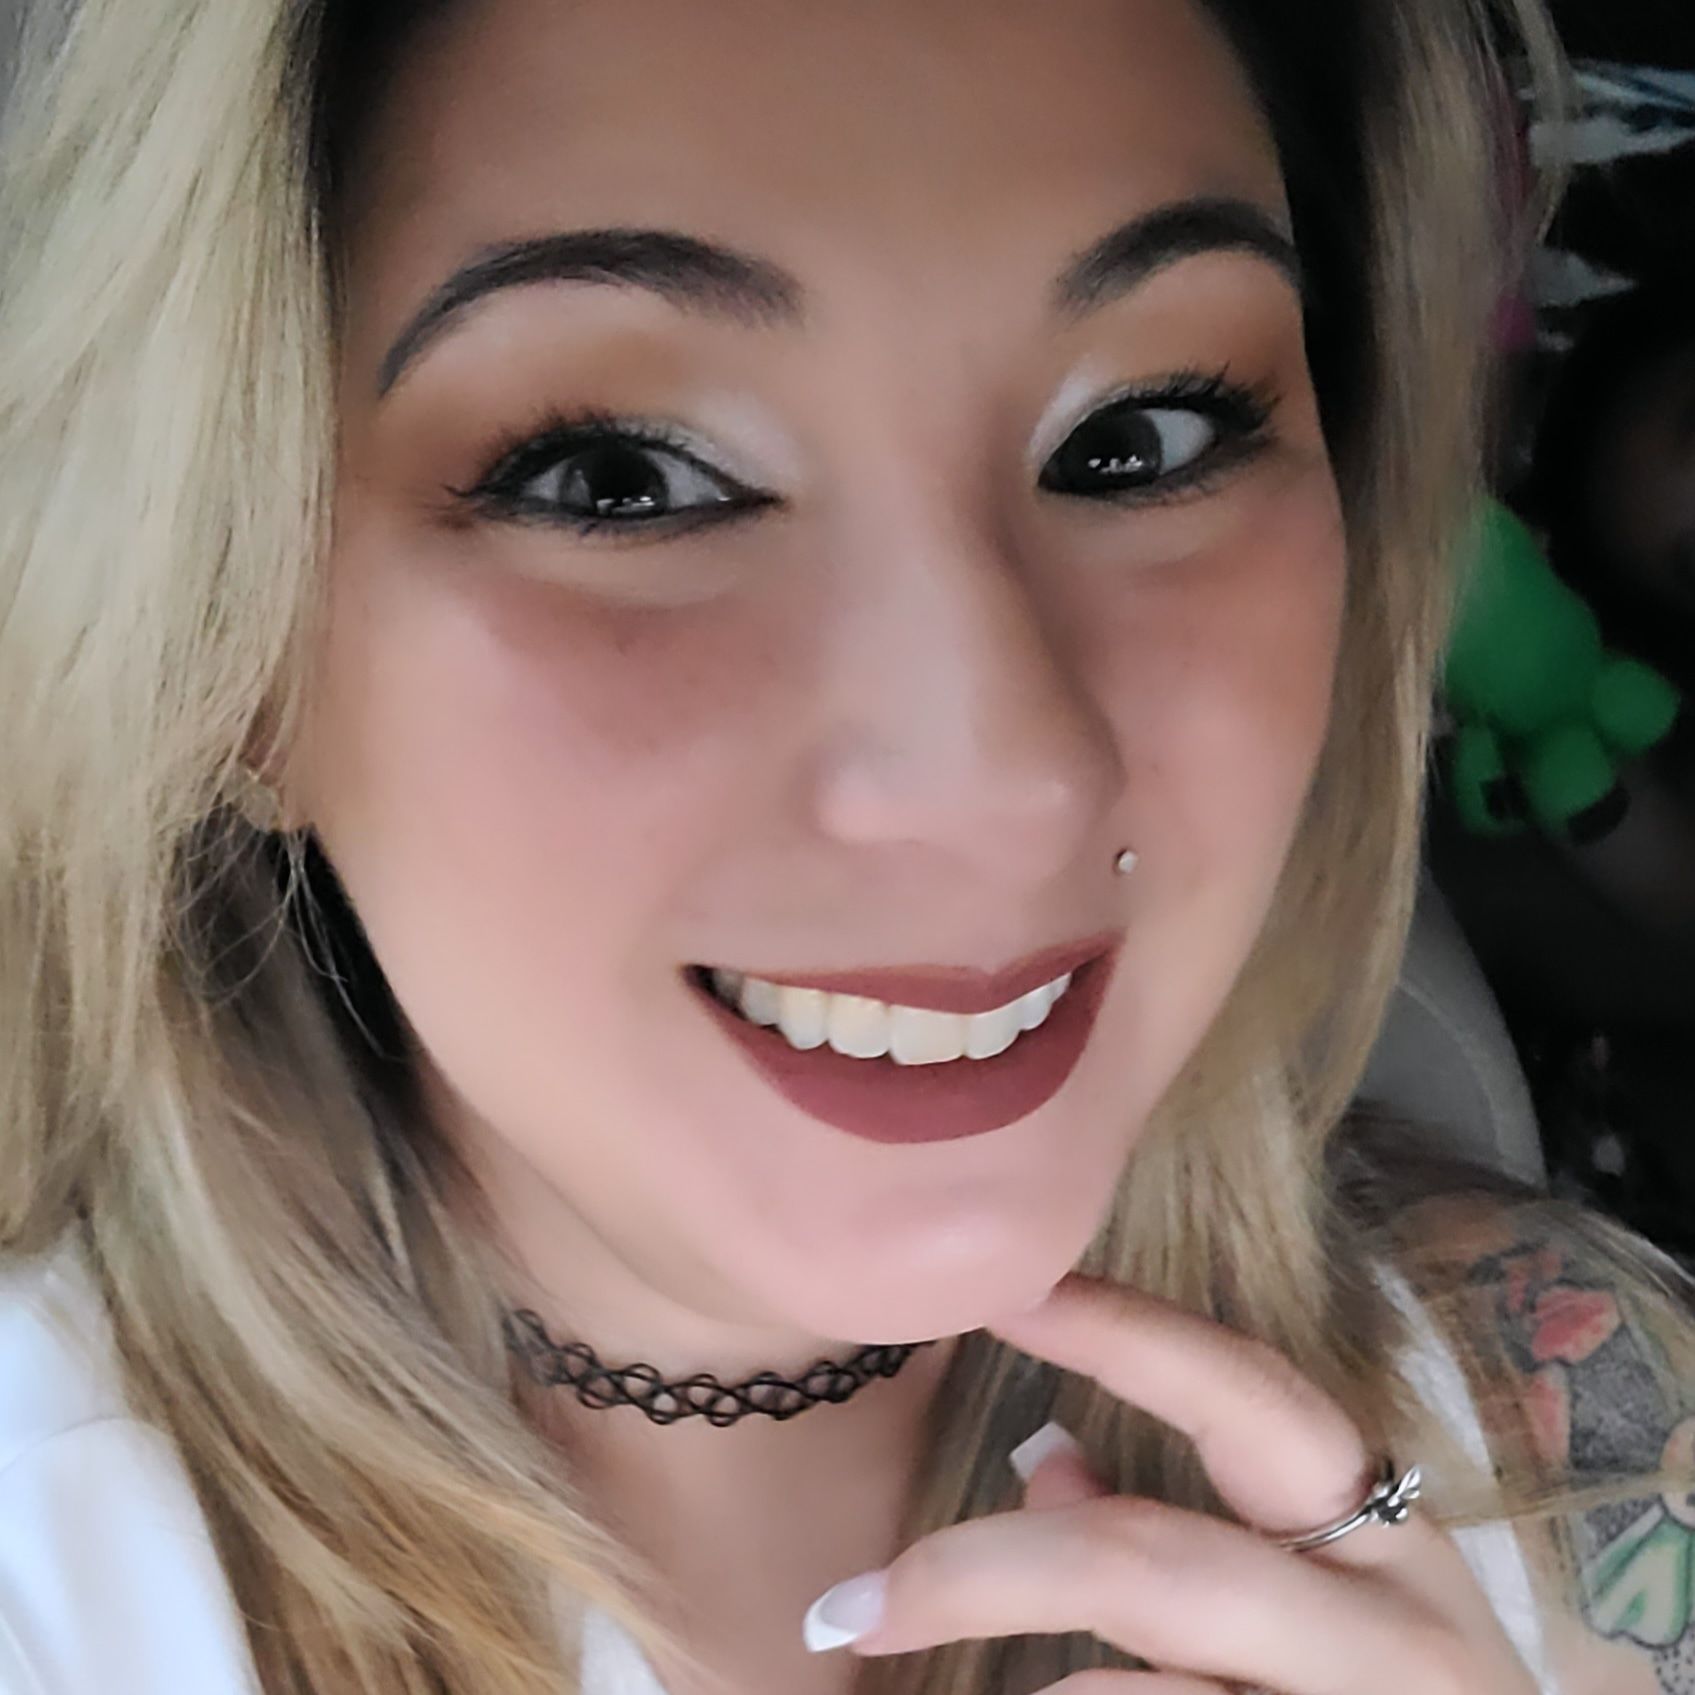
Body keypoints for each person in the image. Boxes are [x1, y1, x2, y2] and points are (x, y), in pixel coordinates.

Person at [0, 3, 1691, 1694]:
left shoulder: (1590, 1433)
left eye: (1139, 440)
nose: (1008, 777)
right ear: (223, 641)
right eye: (617, 479)